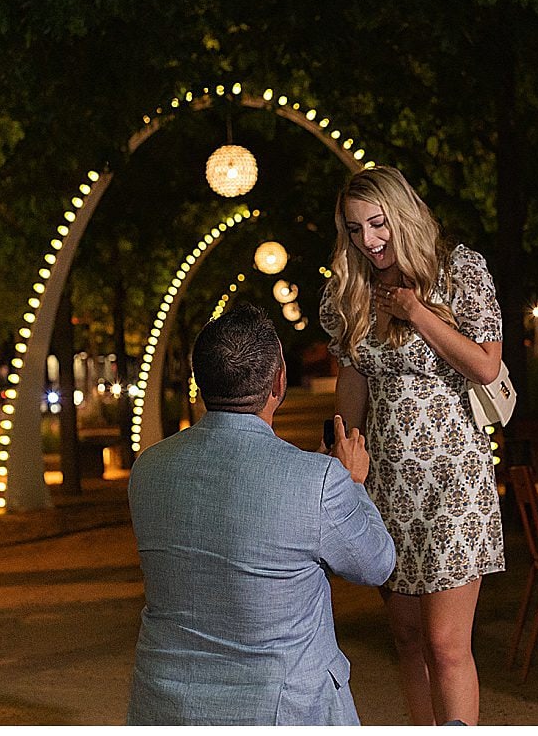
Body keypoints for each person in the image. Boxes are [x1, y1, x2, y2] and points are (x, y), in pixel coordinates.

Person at [126, 302, 396, 726]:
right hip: (283, 710)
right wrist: (353, 484)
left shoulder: (148, 470)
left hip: (167, 707)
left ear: (201, 383)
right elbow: (376, 563)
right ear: (279, 381)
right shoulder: (319, 481)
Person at [319, 165, 504, 726]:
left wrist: (416, 312)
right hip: (386, 483)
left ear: (402, 214)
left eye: (377, 224)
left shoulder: (458, 271)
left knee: (446, 643)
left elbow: (487, 365)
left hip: (453, 480)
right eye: (355, 229)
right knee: (405, 638)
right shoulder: (349, 290)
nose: (368, 241)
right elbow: (351, 381)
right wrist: (344, 467)